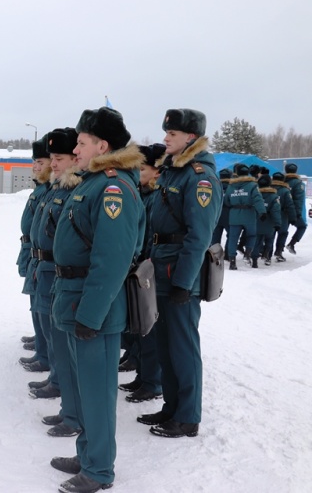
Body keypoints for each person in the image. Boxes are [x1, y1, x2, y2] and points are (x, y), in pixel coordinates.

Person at [50, 107, 145, 493]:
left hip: (95, 309)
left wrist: (90, 314)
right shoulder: (92, 182)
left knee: (97, 393)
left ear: (102, 145)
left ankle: (99, 470)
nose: (76, 148)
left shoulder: (113, 188)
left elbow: (111, 261)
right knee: (85, 389)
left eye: (82, 142)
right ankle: (88, 453)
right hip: (77, 301)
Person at [138, 108, 222, 439]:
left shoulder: (199, 177)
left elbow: (198, 237)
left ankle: (188, 416)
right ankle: (171, 407)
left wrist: (184, 284)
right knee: (165, 345)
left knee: (183, 347)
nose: (165, 139)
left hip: (180, 274)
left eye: (171, 134)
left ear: (190, 137)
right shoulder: (173, 171)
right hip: (161, 269)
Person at [29, 127, 82, 439]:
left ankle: (72, 411)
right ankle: (69, 409)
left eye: (58, 158)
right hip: (50, 268)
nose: (52, 163)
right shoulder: (59, 189)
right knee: (55, 337)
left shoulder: (79, 190)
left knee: (65, 345)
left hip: (65, 275)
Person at [119, 143, 166, 404]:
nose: (138, 172)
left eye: (143, 168)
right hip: (140, 268)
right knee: (140, 330)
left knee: (151, 331)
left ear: (157, 172)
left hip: (150, 269)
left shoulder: (157, 197)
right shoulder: (144, 194)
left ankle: (152, 382)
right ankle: (143, 375)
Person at [17, 139, 51, 369]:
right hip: (32, 250)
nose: (35, 167)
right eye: (34, 162)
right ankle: (41, 344)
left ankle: (45, 352)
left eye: (40, 162)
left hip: (43, 254)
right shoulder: (41, 188)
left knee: (42, 305)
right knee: (35, 301)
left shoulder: (50, 189)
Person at [224, 163, 265, 269]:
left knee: (233, 238)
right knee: (251, 235)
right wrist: (262, 212)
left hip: (234, 215)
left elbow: (226, 201)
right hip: (249, 214)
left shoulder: (231, 185)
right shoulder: (252, 185)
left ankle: (232, 262)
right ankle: (247, 254)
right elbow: (257, 199)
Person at [254, 174, 281, 265]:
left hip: (257, 221)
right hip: (269, 223)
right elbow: (275, 211)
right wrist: (278, 223)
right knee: (270, 240)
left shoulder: (255, 194)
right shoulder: (274, 196)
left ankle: (254, 260)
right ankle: (267, 256)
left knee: (257, 241)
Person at [270, 171, 296, 262]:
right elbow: (290, 205)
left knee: (270, 234)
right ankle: (278, 252)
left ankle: (267, 253)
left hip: (270, 215)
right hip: (282, 215)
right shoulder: (285, 190)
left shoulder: (268, 188)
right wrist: (293, 218)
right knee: (283, 233)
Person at [284, 162, 307, 254]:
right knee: (302, 226)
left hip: (281, 211)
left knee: (282, 231)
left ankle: (275, 251)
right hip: (293, 211)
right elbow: (298, 200)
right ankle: (291, 244)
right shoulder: (298, 183)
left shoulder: (282, 182)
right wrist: (297, 213)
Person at [211, 168, 231, 247]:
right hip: (229, 214)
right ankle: (227, 254)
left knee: (215, 236)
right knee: (231, 235)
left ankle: (214, 253)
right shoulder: (232, 187)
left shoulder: (215, 185)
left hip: (216, 213)